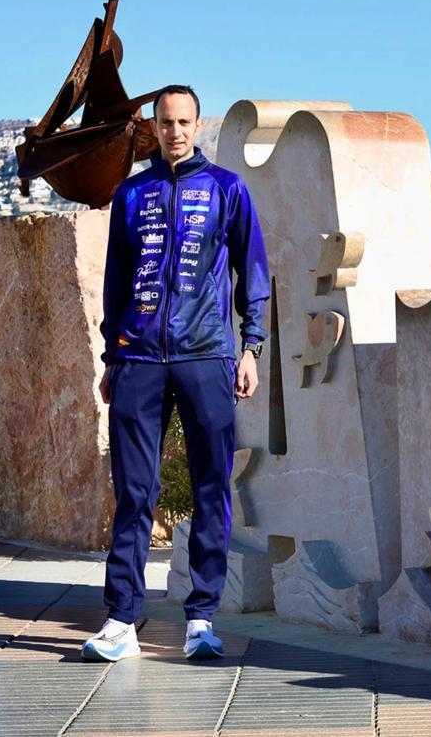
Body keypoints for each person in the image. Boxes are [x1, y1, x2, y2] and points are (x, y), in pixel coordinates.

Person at [82, 84, 270, 661]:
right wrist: (112, 357)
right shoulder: (131, 193)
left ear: (198, 125)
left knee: (212, 485)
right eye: (165, 123)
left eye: (185, 122)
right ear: (153, 127)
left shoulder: (226, 190)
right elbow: (115, 282)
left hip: (206, 353)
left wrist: (251, 347)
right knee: (134, 490)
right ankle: (121, 620)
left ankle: (201, 619)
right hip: (138, 357)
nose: (176, 132)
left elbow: (253, 271)